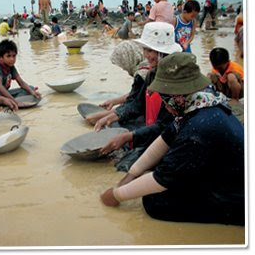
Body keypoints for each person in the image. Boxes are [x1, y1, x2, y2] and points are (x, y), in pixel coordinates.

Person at [100, 52, 244, 226]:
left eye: (164, 96)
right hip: (223, 175)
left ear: (177, 95)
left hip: (236, 197)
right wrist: (131, 175)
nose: (163, 102)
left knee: (156, 202)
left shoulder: (198, 128)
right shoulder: (201, 103)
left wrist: (116, 195)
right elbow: (164, 139)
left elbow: (162, 179)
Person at [88, 22, 182, 172]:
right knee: (123, 158)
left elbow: (164, 127)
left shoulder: (174, 81)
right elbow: (138, 104)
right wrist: (110, 117)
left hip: (170, 138)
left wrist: (128, 137)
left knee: (125, 167)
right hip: (154, 130)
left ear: (163, 52)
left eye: (150, 50)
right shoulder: (152, 73)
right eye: (145, 49)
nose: (146, 55)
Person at [0, 39, 41, 108]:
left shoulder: (10, 67)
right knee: (26, 92)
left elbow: (21, 83)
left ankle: (11, 101)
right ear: (0, 58)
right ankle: (11, 102)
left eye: (14, 56)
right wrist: (15, 101)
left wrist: (32, 92)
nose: (12, 59)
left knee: (30, 88)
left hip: (2, 94)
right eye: (8, 56)